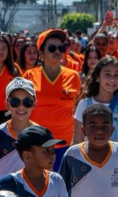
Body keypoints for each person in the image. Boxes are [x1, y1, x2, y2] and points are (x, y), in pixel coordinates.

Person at [23, 29, 82, 171]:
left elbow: (79, 111)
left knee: (63, 189)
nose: (58, 51)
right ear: (41, 54)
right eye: (52, 48)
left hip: (66, 145)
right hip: (37, 145)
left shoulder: (73, 76)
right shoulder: (29, 76)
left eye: (61, 47)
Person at [0, 78, 38, 188]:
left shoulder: (40, 133)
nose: (21, 107)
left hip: (32, 193)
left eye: (27, 102)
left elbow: (46, 167)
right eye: (15, 102)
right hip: (3, 194)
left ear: (34, 104)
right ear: (7, 105)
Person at [73, 57, 118, 147]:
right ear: (97, 77)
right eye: (107, 74)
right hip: (88, 159)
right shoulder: (83, 105)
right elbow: (77, 140)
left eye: (117, 75)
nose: (113, 79)